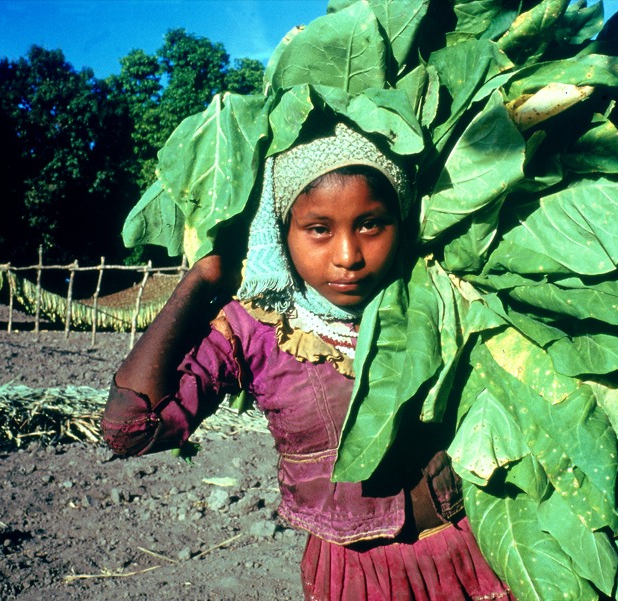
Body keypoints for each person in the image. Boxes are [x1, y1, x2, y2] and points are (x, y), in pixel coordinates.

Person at [101, 122, 514, 601]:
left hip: (474, 556)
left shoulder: (441, 297)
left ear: (402, 222)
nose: (348, 256)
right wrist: (201, 279)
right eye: (319, 229)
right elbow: (130, 429)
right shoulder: (258, 329)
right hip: (356, 579)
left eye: (370, 224)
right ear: (282, 232)